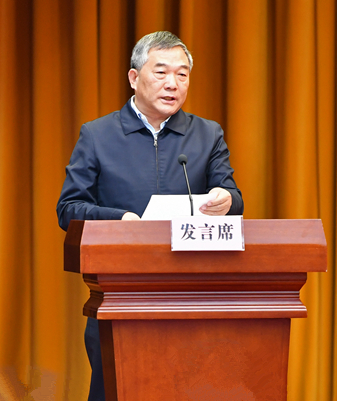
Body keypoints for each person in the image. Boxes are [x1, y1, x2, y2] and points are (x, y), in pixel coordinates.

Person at [57, 31, 243, 401]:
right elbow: (69, 208)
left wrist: (226, 200)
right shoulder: (97, 135)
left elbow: (232, 198)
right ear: (134, 77)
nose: (173, 83)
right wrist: (120, 221)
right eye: (161, 72)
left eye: (182, 74)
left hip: (192, 297)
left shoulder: (207, 135)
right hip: (118, 293)